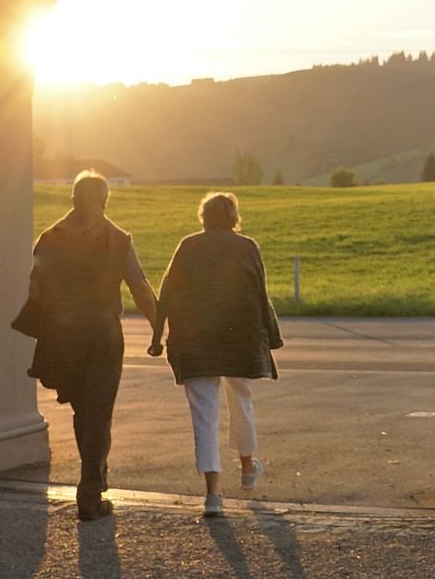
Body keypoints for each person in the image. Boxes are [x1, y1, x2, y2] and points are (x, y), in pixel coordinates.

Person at [20, 171, 157, 522]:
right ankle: (91, 490)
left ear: (73, 199)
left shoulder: (50, 238)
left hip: (62, 335)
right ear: (105, 199)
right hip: (102, 334)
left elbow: (35, 290)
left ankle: (93, 481)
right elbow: (139, 287)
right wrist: (160, 331)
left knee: (84, 411)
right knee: (98, 413)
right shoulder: (117, 238)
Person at [149, 191, 283, 517]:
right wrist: (272, 338)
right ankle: (248, 469)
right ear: (233, 217)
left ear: (204, 216)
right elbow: (260, 294)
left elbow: (166, 293)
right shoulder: (247, 247)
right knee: (242, 400)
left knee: (204, 415)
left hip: (195, 342)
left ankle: (212, 495)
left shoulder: (188, 246)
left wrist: (157, 337)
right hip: (241, 341)